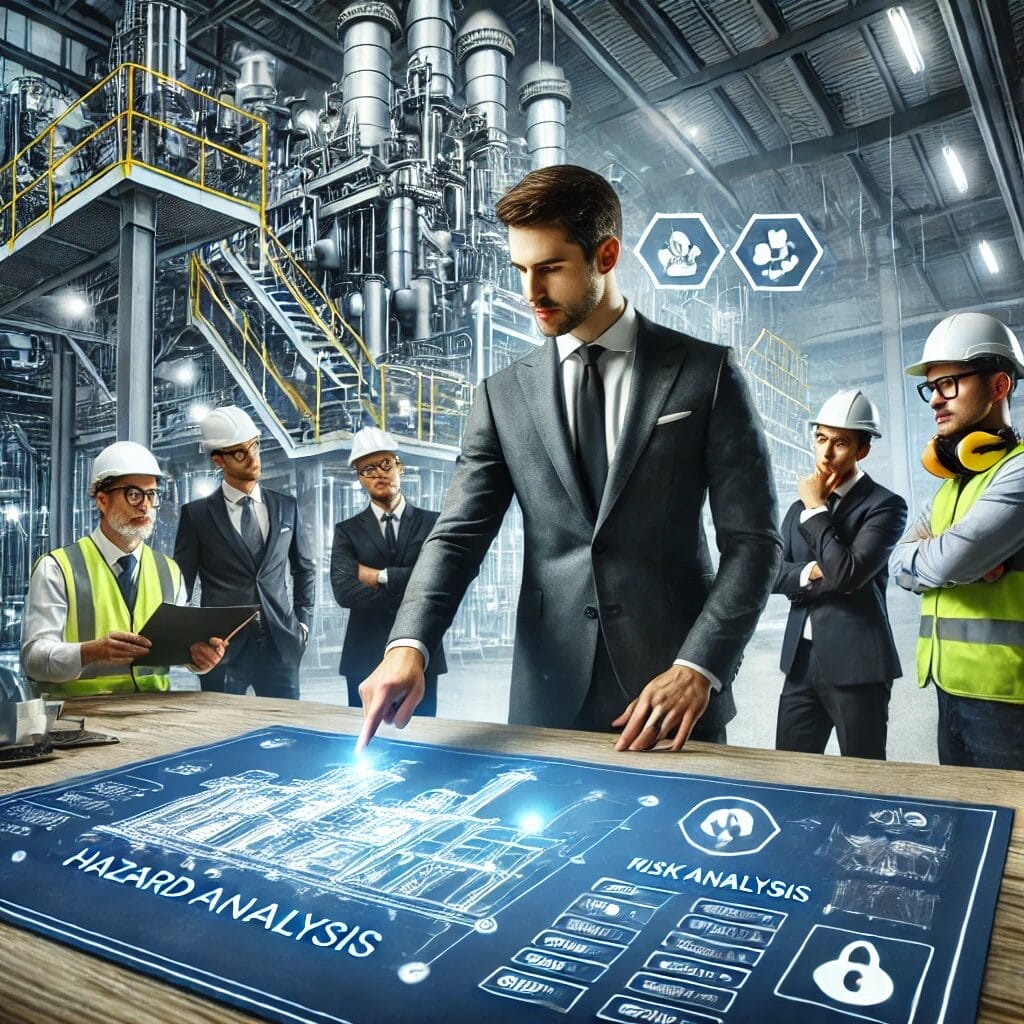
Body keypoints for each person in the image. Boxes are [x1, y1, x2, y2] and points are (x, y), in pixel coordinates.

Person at [357, 164, 781, 752]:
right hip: (546, 693)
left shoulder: (704, 374)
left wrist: (699, 668)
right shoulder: (501, 396)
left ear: (606, 256)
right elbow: (456, 537)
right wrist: (408, 644)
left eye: (550, 269)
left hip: (674, 696)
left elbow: (755, 542)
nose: (531, 292)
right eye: (521, 270)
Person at [891, 312, 1024, 770]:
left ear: (999, 386)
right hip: (949, 690)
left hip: (1009, 699)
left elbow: (944, 566)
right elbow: (899, 564)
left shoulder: (1020, 472)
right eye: (931, 388)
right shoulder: (953, 485)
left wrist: (943, 559)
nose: (934, 401)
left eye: (949, 384)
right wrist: (949, 558)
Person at [21, 441, 224, 695]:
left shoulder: (169, 571)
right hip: (80, 716)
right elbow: (34, 660)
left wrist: (199, 660)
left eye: (151, 495)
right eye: (134, 494)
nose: (145, 505)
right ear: (102, 501)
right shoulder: (57, 569)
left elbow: (181, 645)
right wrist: (90, 652)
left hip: (157, 712)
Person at [773, 390, 907, 760]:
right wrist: (814, 572)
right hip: (800, 664)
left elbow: (848, 575)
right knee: (788, 774)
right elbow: (772, 575)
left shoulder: (885, 506)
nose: (826, 454)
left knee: (864, 779)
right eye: (821, 439)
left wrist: (817, 509)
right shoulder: (797, 506)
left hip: (858, 666)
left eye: (841, 443)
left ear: (862, 450)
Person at [174, 406, 315, 700]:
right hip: (221, 651)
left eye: (255, 446)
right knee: (223, 738)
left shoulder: (286, 507)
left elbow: (304, 569)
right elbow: (181, 587)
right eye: (239, 453)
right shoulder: (196, 516)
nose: (253, 458)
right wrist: (192, 643)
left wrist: (302, 626)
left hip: (281, 647)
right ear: (218, 459)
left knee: (286, 736)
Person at [330, 427, 447, 715]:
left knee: (422, 738)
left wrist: (379, 576)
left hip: (420, 655)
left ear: (400, 467)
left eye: (385, 464)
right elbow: (344, 591)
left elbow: (443, 578)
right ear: (359, 478)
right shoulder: (346, 532)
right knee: (364, 745)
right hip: (363, 656)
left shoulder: (433, 524)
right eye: (368, 469)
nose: (379, 474)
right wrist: (412, 590)